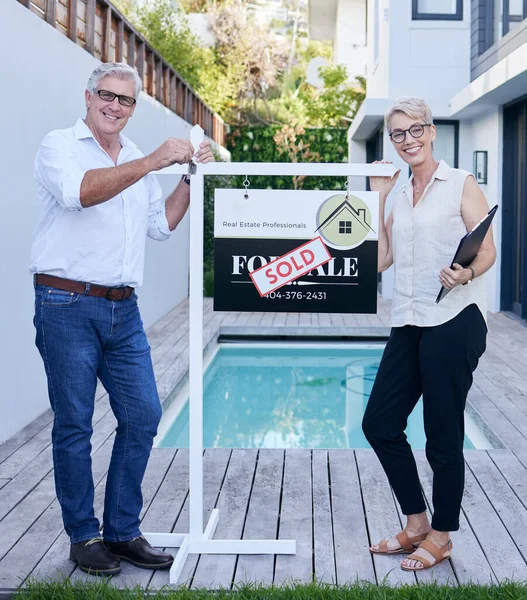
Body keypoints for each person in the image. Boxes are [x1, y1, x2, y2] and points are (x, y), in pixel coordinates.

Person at [30, 62, 215, 575]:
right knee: (74, 424)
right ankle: (84, 537)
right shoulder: (60, 145)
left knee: (144, 415)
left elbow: (161, 225)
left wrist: (185, 176)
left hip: (122, 309)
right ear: (87, 96)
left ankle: (123, 531)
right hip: (66, 304)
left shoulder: (135, 157)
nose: (115, 106)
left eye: (126, 100)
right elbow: (81, 193)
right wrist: (156, 159)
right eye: (107, 96)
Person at [362, 97, 496, 571]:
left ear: (431, 130)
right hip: (409, 319)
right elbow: (379, 260)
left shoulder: (461, 182)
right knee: (378, 424)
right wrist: (378, 195)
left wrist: (464, 274)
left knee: (442, 434)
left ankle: (441, 536)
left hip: (455, 320)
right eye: (398, 134)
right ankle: (416, 522)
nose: (408, 140)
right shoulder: (396, 192)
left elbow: (488, 252)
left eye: (415, 129)